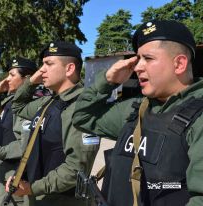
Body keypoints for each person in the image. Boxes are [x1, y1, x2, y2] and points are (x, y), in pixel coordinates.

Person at [72, 19, 203, 206]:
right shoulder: (136, 109)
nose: (138, 67)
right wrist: (108, 81)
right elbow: (82, 117)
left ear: (179, 64)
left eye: (148, 58)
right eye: (138, 58)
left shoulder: (199, 117)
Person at [6, 41, 99, 206]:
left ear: (69, 69)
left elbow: (75, 170)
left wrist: (33, 188)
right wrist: (31, 81)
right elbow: (18, 106)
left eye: (48, 64)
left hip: (61, 200)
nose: (42, 70)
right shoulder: (49, 102)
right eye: (42, 65)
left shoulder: (81, 107)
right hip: (39, 195)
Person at [0, 57, 37, 206]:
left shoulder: (28, 106)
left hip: (14, 175)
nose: (7, 79)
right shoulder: (7, 102)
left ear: (27, 79)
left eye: (12, 75)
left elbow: (24, 145)